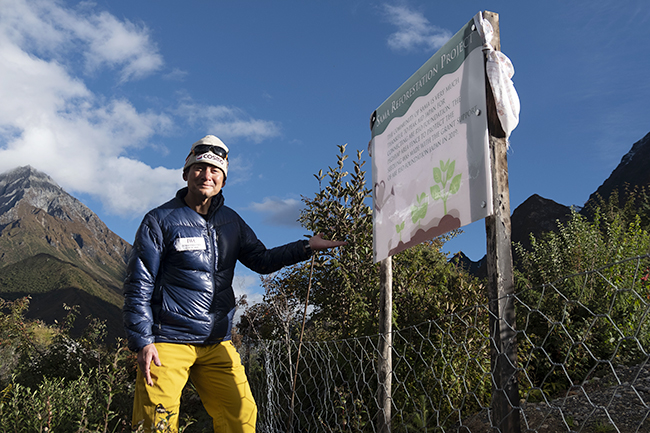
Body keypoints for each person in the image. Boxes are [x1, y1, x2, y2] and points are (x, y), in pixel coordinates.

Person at [122, 135, 346, 432]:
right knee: (156, 425)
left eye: (215, 170)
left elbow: (262, 260)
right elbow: (139, 282)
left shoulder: (232, 222)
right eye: (200, 168)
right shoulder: (160, 220)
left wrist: (306, 247)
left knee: (241, 418)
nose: (207, 175)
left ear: (223, 180)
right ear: (186, 173)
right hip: (168, 341)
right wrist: (143, 341)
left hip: (217, 343)